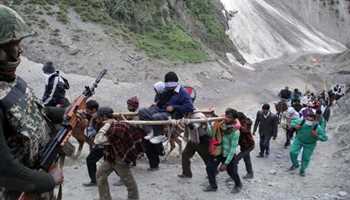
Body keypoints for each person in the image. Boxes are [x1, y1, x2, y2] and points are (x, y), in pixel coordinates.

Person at [0, 5, 63, 199]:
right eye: (10, 45)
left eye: (17, 44)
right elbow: (5, 170)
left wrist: (68, 112)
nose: (18, 51)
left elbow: (38, 110)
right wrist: (48, 181)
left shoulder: (12, 81)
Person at [138, 72, 194, 170]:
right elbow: (161, 102)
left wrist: (174, 107)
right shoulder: (167, 90)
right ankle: (151, 131)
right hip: (161, 110)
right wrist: (156, 104)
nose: (169, 89)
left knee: (156, 117)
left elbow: (189, 107)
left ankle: (158, 135)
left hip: (173, 115)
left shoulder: (183, 92)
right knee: (142, 111)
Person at [95, 107, 139, 200]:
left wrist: (107, 125)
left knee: (129, 183)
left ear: (104, 117)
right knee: (100, 175)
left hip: (120, 159)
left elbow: (98, 140)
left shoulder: (116, 128)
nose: (97, 119)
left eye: (99, 117)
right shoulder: (113, 125)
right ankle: (105, 198)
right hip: (111, 157)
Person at [204, 108, 242, 193]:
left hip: (227, 154)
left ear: (233, 119)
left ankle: (238, 184)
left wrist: (226, 163)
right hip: (218, 151)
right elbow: (211, 134)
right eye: (226, 116)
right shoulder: (221, 124)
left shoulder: (235, 132)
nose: (226, 118)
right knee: (209, 168)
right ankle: (213, 186)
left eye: (228, 117)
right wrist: (208, 124)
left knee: (232, 172)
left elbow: (232, 149)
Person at [288, 111, 327, 176]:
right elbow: (292, 122)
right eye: (307, 119)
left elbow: (325, 138)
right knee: (292, 152)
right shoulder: (302, 121)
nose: (309, 121)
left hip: (310, 144)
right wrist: (295, 126)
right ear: (305, 118)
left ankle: (302, 170)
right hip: (299, 140)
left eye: (311, 120)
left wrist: (316, 136)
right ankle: (295, 164)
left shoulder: (317, 127)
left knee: (306, 157)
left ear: (314, 121)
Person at [178, 112, 210, 178]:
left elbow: (194, 126)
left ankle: (213, 172)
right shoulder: (186, 115)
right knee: (185, 155)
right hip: (193, 139)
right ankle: (187, 173)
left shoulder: (198, 115)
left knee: (206, 158)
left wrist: (189, 123)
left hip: (202, 139)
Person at [236, 112, 255, 179]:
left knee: (236, 159)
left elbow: (245, 130)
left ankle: (233, 174)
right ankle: (250, 173)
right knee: (247, 159)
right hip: (244, 145)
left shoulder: (246, 122)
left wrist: (238, 126)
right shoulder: (241, 122)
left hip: (249, 145)